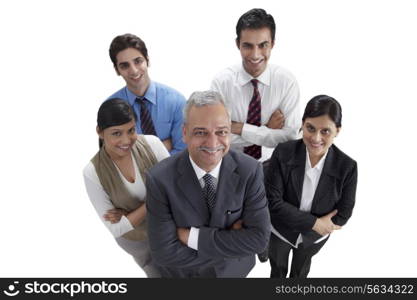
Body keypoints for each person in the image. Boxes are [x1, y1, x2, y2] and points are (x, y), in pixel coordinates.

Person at [145, 91, 270, 278]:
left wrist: (193, 238)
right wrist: (233, 247)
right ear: (184, 133)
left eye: (221, 132)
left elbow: (259, 240)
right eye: (201, 132)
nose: (212, 143)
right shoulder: (159, 179)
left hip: (235, 274)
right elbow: (164, 252)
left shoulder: (250, 170)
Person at [265, 95, 358, 278]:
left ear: (337, 131)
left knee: (300, 273)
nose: (316, 138)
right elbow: (273, 203)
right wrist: (315, 222)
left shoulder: (348, 167)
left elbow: (344, 213)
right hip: (280, 230)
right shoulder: (283, 152)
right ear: (302, 123)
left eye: (325, 131)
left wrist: (317, 227)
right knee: (277, 270)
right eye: (310, 128)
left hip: (313, 236)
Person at [83, 99, 170, 277]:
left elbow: (179, 190)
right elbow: (117, 228)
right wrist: (153, 202)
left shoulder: (152, 145)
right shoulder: (92, 172)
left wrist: (129, 213)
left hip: (168, 230)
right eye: (116, 133)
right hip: (138, 242)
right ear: (100, 132)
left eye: (131, 130)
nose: (126, 140)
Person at [211, 8, 301, 163]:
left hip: (274, 165)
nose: (255, 54)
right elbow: (216, 136)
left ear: (272, 44)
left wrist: (240, 128)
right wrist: (266, 129)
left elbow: (289, 138)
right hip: (231, 165)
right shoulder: (221, 83)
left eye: (263, 45)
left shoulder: (287, 82)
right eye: (248, 46)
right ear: (237, 44)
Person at [107, 33, 186, 154]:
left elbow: (183, 151)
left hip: (172, 173)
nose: (133, 70)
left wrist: (141, 156)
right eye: (125, 66)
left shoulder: (176, 102)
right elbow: (114, 156)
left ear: (147, 61)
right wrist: (164, 146)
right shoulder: (110, 108)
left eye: (138, 61)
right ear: (117, 70)